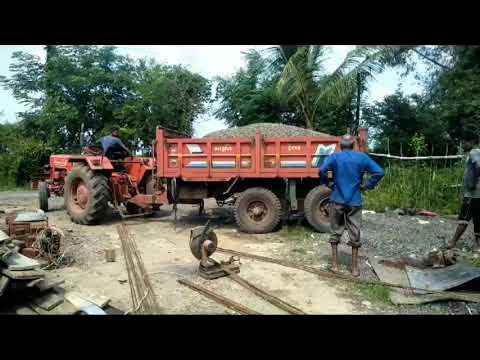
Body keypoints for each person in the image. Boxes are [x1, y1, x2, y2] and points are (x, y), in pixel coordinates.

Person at [319, 135, 384, 276]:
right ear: (353, 144)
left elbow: (322, 170)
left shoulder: (335, 157)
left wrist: (328, 183)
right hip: (355, 200)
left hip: (337, 199)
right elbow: (379, 172)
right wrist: (367, 185)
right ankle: (354, 268)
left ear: (340, 145)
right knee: (355, 232)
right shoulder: (362, 157)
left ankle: (335, 265)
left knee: (335, 231)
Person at [447, 135, 480, 251]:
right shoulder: (478, 152)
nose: (463, 144)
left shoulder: (473, 152)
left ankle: (453, 242)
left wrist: (473, 181)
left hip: (472, 193)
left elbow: (479, 167)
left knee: (464, 218)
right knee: (477, 218)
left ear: (472, 141)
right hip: (478, 193)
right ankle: (477, 245)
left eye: (465, 141)